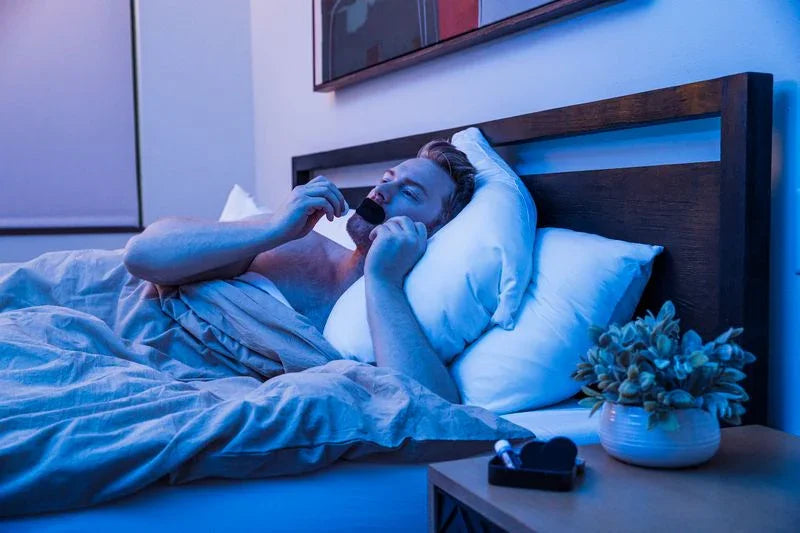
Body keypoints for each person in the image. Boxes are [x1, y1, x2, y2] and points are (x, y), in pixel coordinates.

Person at [123, 139, 476, 402]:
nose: (381, 191)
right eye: (386, 178)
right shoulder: (296, 241)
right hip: (128, 316)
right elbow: (141, 255)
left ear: (432, 231)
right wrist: (274, 228)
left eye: (410, 193)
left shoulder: (395, 304)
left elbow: (435, 408)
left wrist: (383, 281)